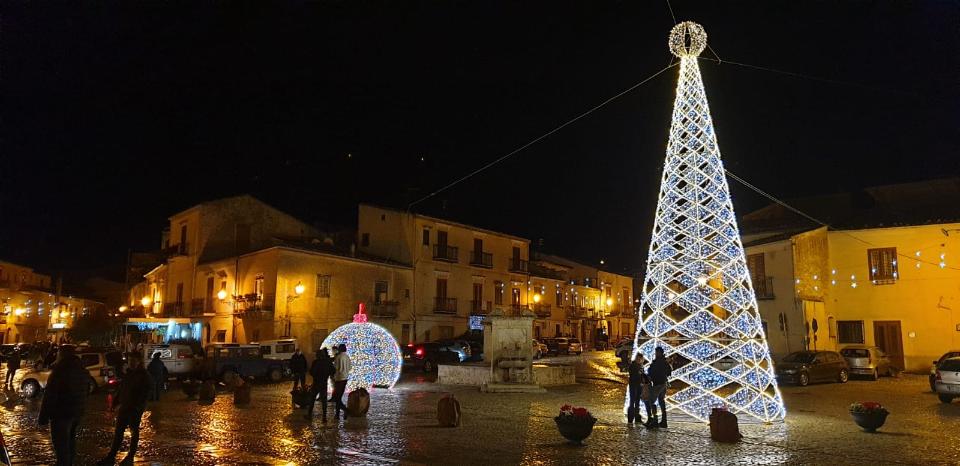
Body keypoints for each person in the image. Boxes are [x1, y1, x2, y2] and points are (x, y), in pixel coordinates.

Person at [97, 352, 153, 466]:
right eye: (129, 360)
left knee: (134, 432)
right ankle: (111, 457)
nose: (131, 363)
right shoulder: (129, 373)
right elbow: (122, 388)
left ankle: (130, 456)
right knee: (118, 433)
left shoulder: (144, 375)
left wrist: (138, 406)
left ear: (139, 361)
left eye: (133, 360)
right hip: (125, 407)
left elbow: (146, 393)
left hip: (134, 409)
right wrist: (115, 402)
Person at [38, 346, 89, 466]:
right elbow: (86, 392)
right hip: (76, 412)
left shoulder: (60, 370)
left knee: (61, 445)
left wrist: (43, 417)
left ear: (62, 354)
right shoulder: (82, 369)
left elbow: (50, 395)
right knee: (70, 441)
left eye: (58, 353)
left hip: (61, 413)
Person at [304, 348, 335, 422]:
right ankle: (324, 417)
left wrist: (315, 375)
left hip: (316, 383)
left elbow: (311, 372)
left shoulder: (316, 362)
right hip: (324, 383)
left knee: (312, 399)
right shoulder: (328, 362)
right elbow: (333, 371)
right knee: (324, 401)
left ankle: (309, 414)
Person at [646, 346, 672, 429]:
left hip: (658, 384)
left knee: (651, 401)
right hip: (663, 383)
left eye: (657, 352)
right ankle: (664, 421)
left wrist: (651, 375)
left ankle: (655, 420)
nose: (656, 354)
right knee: (661, 401)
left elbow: (652, 371)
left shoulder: (658, 362)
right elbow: (669, 372)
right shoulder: (664, 362)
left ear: (660, 353)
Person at [627, 354, 652, 425]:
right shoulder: (633, 366)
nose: (640, 360)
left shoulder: (640, 366)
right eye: (638, 359)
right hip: (634, 385)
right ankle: (631, 418)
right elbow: (634, 376)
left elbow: (641, 375)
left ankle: (636, 417)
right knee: (632, 402)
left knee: (637, 402)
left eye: (640, 359)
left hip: (639, 386)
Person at [331, 344, 351, 420]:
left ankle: (346, 410)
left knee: (337, 398)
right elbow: (350, 367)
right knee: (338, 397)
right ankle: (337, 414)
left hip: (339, 378)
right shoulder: (347, 357)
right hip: (345, 378)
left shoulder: (338, 357)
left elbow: (335, 368)